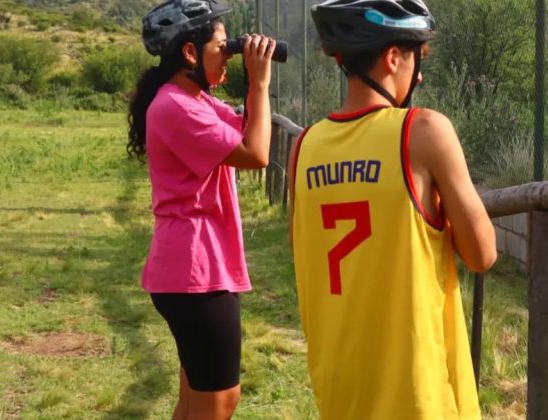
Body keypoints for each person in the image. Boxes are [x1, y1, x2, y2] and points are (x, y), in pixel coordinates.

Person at [288, 0, 497, 419]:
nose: (418, 75)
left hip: (341, 390)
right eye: (417, 59)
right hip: (417, 397)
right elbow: (482, 254)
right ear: (392, 57)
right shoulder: (422, 131)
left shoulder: (303, 147)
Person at [126, 0, 276, 418]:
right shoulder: (176, 106)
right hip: (197, 274)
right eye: (223, 45)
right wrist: (260, 84)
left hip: (193, 270)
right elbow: (256, 152)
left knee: (194, 397)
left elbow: (247, 128)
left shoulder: (192, 99)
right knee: (219, 401)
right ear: (190, 52)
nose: (228, 53)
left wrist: (251, 78)